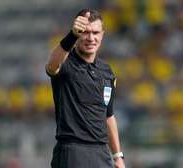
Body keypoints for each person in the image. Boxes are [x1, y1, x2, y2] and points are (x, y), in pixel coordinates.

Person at [45, 9, 125, 168]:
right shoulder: (66, 62)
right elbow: (51, 66)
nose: (91, 38)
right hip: (73, 151)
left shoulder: (106, 71)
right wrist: (71, 36)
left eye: (95, 32)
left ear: (102, 34)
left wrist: (117, 156)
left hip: (101, 152)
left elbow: (108, 116)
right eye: (85, 32)